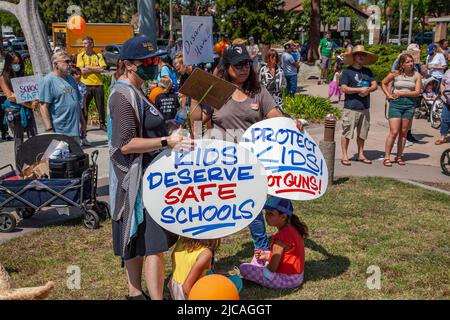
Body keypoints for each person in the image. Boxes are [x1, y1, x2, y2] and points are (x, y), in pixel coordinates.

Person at [193, 44, 303, 261]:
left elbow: (275, 115)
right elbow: (198, 119)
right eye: (238, 65)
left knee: (253, 205)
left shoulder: (257, 92)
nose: (243, 69)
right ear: (227, 67)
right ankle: (207, 254)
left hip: (252, 162)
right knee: (216, 209)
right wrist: (196, 94)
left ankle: (261, 249)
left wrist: (292, 123)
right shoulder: (217, 92)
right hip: (221, 162)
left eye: (246, 64)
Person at [108, 36, 191, 300]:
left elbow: (147, 127)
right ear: (129, 65)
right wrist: (166, 141)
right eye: (147, 61)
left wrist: (170, 129)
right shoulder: (121, 96)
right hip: (139, 182)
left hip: (149, 178)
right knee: (154, 244)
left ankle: (135, 293)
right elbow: (126, 144)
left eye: (156, 59)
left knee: (139, 242)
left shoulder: (138, 90)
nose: (154, 65)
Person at [239, 196, 307, 289]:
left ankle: (255, 276)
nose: (266, 216)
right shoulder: (293, 229)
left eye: (271, 214)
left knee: (244, 268)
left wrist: (263, 269)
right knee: (259, 255)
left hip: (286, 280)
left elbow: (272, 269)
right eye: (266, 213)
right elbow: (285, 256)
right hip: (297, 276)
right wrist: (266, 256)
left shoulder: (280, 239)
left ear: (283, 217)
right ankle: (257, 266)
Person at [339, 45, 378, 166]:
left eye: (363, 55)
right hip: (351, 107)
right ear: (354, 56)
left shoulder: (367, 71)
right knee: (347, 132)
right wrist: (359, 90)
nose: (362, 56)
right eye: (359, 54)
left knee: (362, 133)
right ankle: (345, 155)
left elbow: (375, 85)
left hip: (364, 107)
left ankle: (361, 154)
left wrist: (368, 90)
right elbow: (344, 88)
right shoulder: (347, 71)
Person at [381, 53, 422, 167]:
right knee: (394, 132)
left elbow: (417, 92)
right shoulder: (396, 73)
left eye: (412, 61)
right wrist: (388, 94)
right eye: (408, 62)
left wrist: (401, 93)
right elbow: (383, 83)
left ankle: (399, 156)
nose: (411, 63)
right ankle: (387, 157)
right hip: (396, 104)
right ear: (402, 64)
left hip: (409, 104)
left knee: (403, 133)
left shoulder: (417, 75)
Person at [0, 51, 38, 168]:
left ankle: (35, 164)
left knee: (34, 137)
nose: (17, 66)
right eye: (14, 64)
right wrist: (28, 104)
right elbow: (11, 97)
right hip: (15, 112)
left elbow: (32, 92)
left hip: (27, 110)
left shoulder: (24, 75)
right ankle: (20, 167)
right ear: (8, 64)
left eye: (19, 63)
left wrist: (34, 101)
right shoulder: (3, 77)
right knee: (19, 140)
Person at [39, 51, 81, 143]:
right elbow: (43, 107)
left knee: (76, 156)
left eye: (70, 61)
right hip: (59, 131)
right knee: (59, 157)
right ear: (56, 64)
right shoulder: (48, 81)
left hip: (75, 131)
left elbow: (77, 102)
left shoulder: (71, 79)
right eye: (66, 61)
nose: (70, 64)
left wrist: (83, 123)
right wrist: (49, 129)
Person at [76, 36, 108, 132]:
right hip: (85, 85)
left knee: (100, 106)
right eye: (83, 43)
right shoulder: (80, 56)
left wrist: (88, 67)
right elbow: (82, 71)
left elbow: (102, 69)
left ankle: (102, 124)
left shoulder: (98, 55)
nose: (84, 45)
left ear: (91, 44)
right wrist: (95, 68)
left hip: (98, 84)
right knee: (84, 106)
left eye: (86, 43)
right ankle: (84, 125)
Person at [70, 67, 89, 146]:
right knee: (75, 125)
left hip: (81, 107)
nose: (79, 76)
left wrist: (85, 109)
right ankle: (77, 139)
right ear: (72, 75)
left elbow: (84, 98)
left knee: (84, 124)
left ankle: (84, 138)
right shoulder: (70, 86)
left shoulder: (82, 85)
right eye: (76, 74)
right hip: (74, 108)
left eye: (79, 74)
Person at [435, 69, 450, 145]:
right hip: (447, 100)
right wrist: (443, 93)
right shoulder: (448, 71)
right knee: (446, 118)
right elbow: (442, 83)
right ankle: (442, 137)